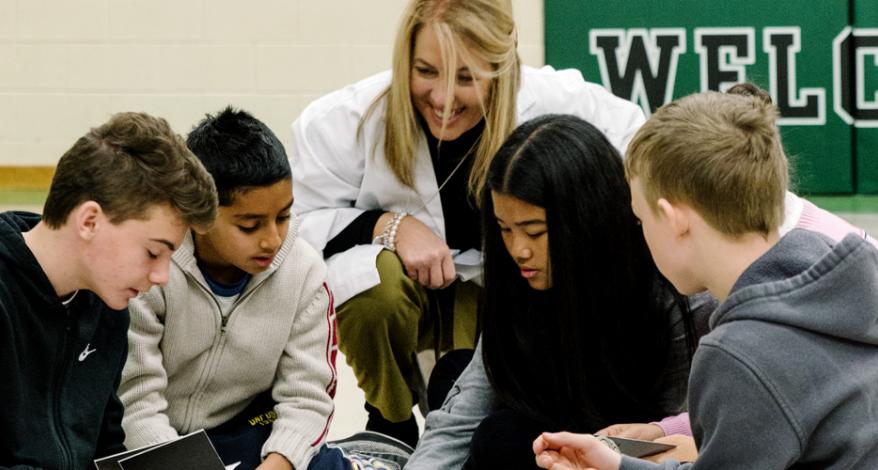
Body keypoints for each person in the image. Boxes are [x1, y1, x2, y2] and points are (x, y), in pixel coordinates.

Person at [289, 0, 645, 446]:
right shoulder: (344, 119)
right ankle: (389, 420)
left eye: (466, 78)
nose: (442, 99)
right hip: (404, 291)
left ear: (504, 61)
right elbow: (294, 224)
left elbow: (640, 155)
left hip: (509, 289)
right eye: (425, 71)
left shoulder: (556, 100)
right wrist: (387, 225)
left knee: (467, 411)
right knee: (373, 290)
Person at [533, 91, 878, 469]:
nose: (640, 233)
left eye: (640, 219)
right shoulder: (838, 280)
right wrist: (620, 465)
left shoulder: (737, 354)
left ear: (673, 218)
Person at [404, 113, 698, 469]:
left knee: (501, 433)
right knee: (461, 388)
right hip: (548, 434)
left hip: (621, 449)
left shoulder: (660, 289)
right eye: (505, 229)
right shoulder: (515, 281)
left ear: (585, 219)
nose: (518, 250)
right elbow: (460, 420)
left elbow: (676, 436)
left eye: (534, 231)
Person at [119, 108, 338, 470]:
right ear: (199, 213)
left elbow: (308, 398)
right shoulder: (151, 270)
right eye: (250, 225)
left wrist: (278, 462)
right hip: (152, 440)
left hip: (246, 429)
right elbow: (136, 401)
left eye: (283, 217)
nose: (273, 240)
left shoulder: (305, 272)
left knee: (319, 463)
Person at [0, 112, 217, 468]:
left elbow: (108, 450)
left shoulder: (108, 308)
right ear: (89, 221)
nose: (162, 276)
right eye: (152, 252)